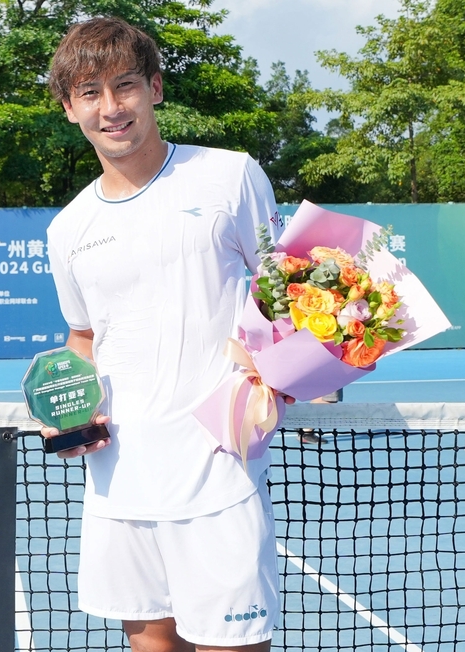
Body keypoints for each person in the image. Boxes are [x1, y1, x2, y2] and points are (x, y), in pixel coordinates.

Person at [41, 17, 289, 652]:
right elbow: (84, 338)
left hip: (220, 477)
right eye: (90, 93)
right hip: (119, 483)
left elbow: (285, 295)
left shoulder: (231, 177)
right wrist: (67, 409)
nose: (111, 107)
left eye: (124, 85)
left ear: (155, 88)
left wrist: (285, 379)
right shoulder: (67, 230)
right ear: (69, 109)